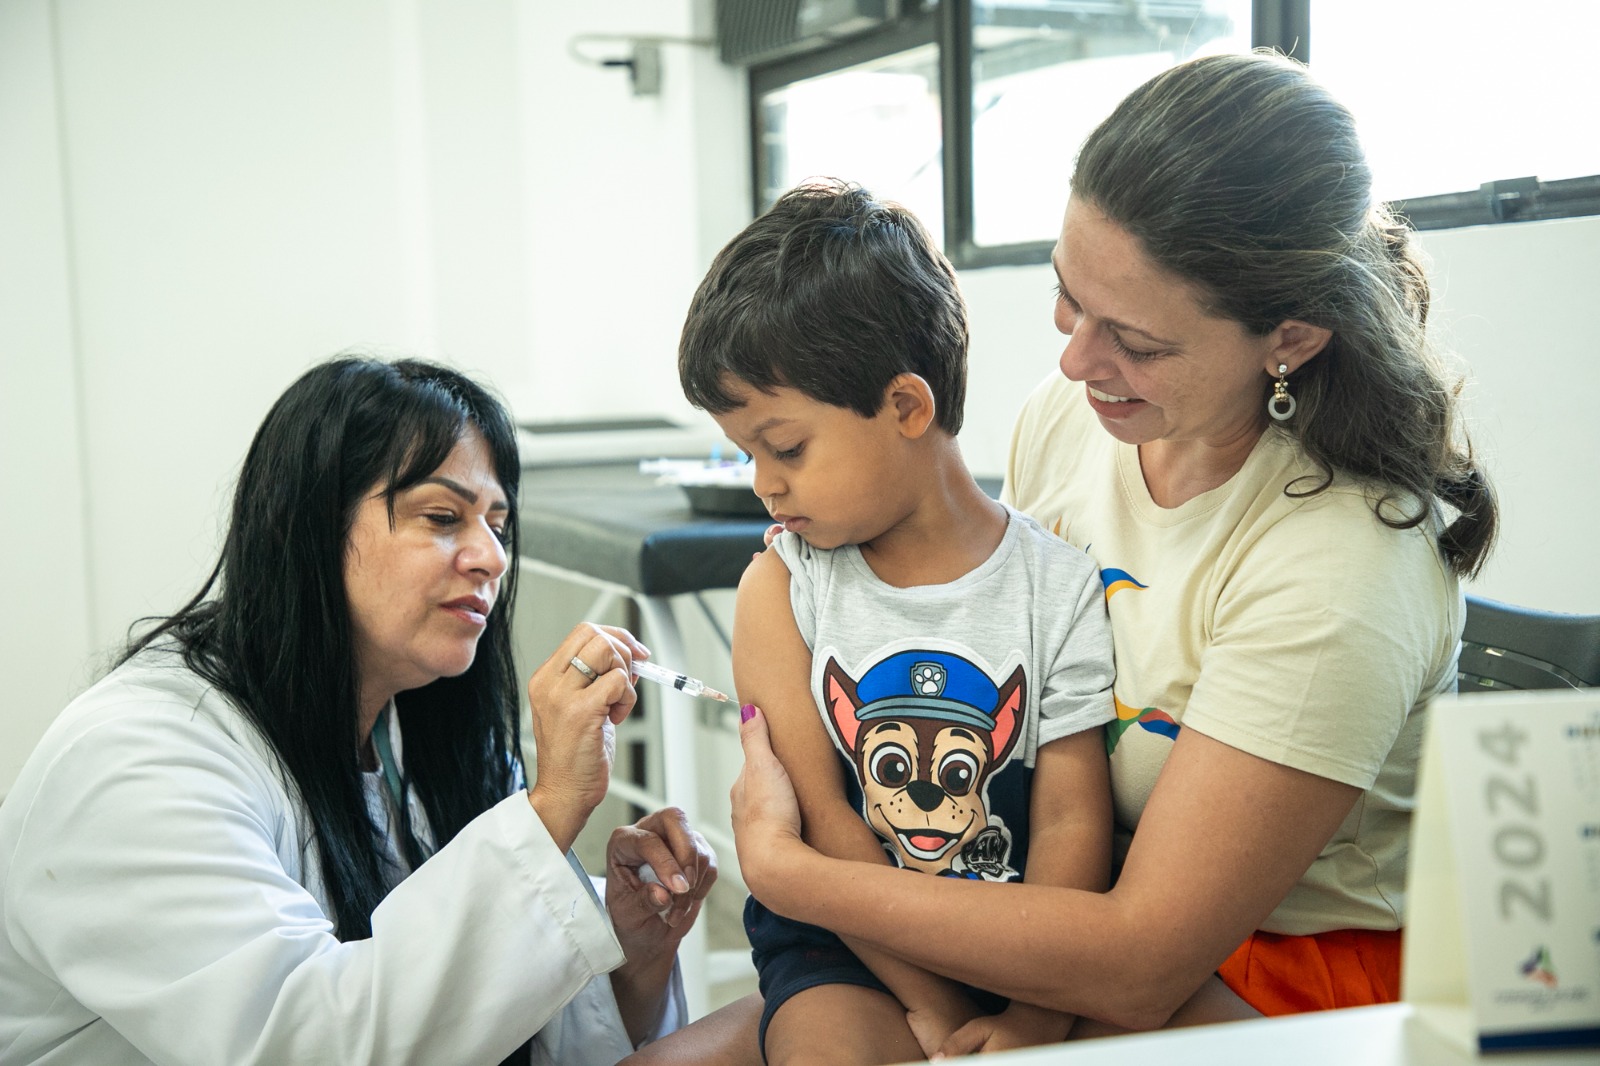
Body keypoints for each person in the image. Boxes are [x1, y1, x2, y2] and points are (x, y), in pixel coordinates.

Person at [682, 49, 1498, 1061]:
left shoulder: (1339, 565)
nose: (1072, 361)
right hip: (1030, 922)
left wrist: (786, 867)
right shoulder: (1074, 423)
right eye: (1068, 296)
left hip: (1269, 979)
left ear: (1286, 337)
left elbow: (1141, 960)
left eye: (1134, 341)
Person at [0, 357, 717, 1065]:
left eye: (499, 525)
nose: (491, 558)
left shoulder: (417, 735)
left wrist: (631, 953)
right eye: (443, 516)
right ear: (309, 527)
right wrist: (552, 805)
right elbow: (310, 1045)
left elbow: (491, 1023)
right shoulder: (139, 762)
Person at [669, 179, 1159, 1065]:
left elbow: (1068, 823)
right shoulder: (782, 587)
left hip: (1020, 943)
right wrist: (929, 1007)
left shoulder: (1059, 582)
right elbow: (824, 820)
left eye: (785, 449)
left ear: (906, 408)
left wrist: (1037, 1015)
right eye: (747, 454)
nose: (762, 485)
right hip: (843, 945)